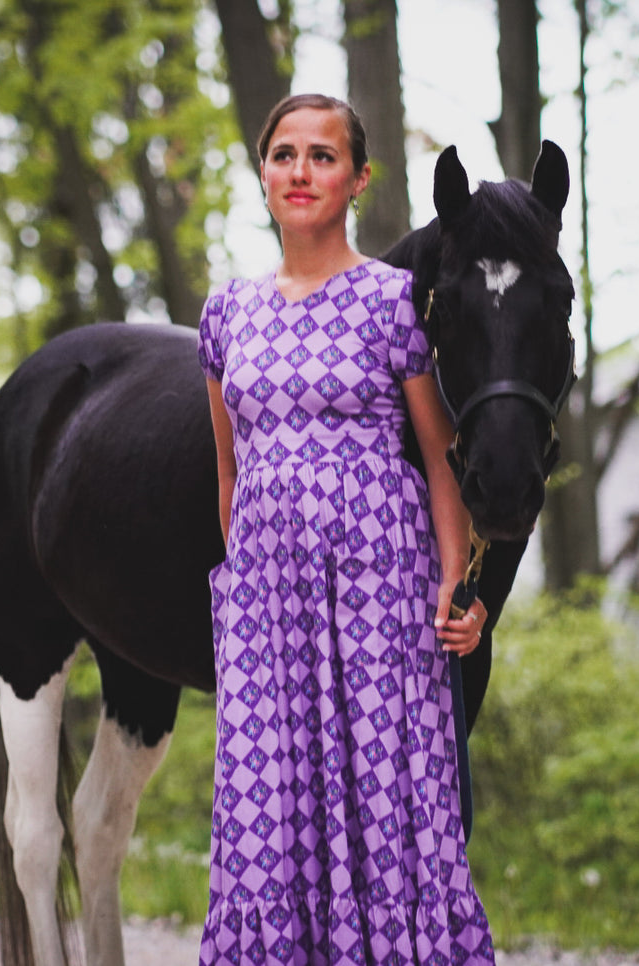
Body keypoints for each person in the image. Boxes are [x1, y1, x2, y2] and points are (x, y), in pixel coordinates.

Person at [197, 92, 495, 966]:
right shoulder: (228, 315)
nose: (300, 170)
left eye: (322, 156)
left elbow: (439, 457)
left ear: (357, 178)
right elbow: (229, 468)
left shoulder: (391, 300)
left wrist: (456, 584)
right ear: (262, 174)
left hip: (380, 592)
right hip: (267, 610)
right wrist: (242, 590)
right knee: (267, 819)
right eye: (283, 154)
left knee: (387, 808)